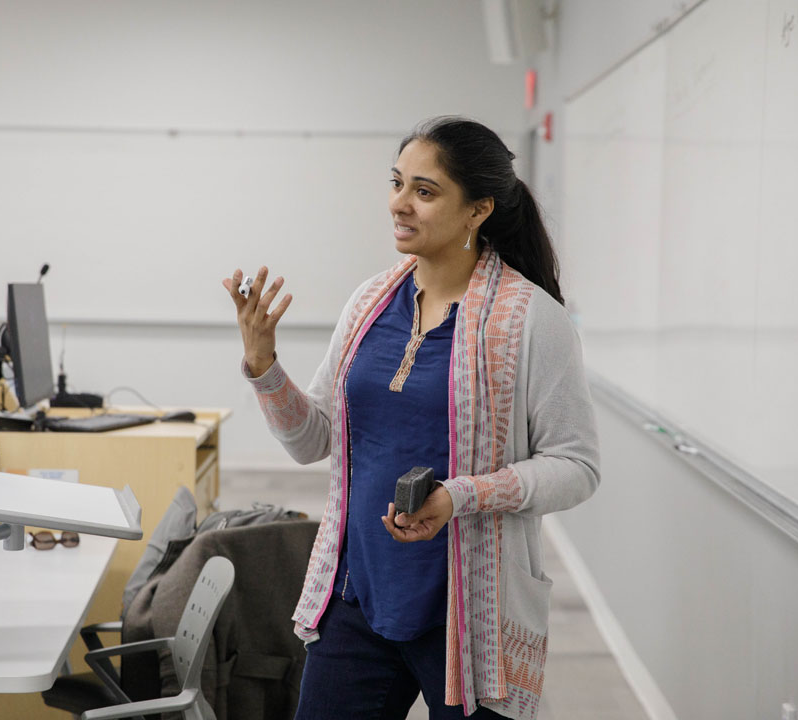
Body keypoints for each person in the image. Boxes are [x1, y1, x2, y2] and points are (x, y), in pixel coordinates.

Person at [222, 116, 600, 720]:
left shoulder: (531, 319)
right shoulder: (369, 302)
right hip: (358, 594)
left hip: (471, 610)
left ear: (478, 210)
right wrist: (264, 364)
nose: (399, 204)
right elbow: (312, 439)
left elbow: (576, 467)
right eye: (398, 184)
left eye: (424, 192)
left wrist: (460, 496)